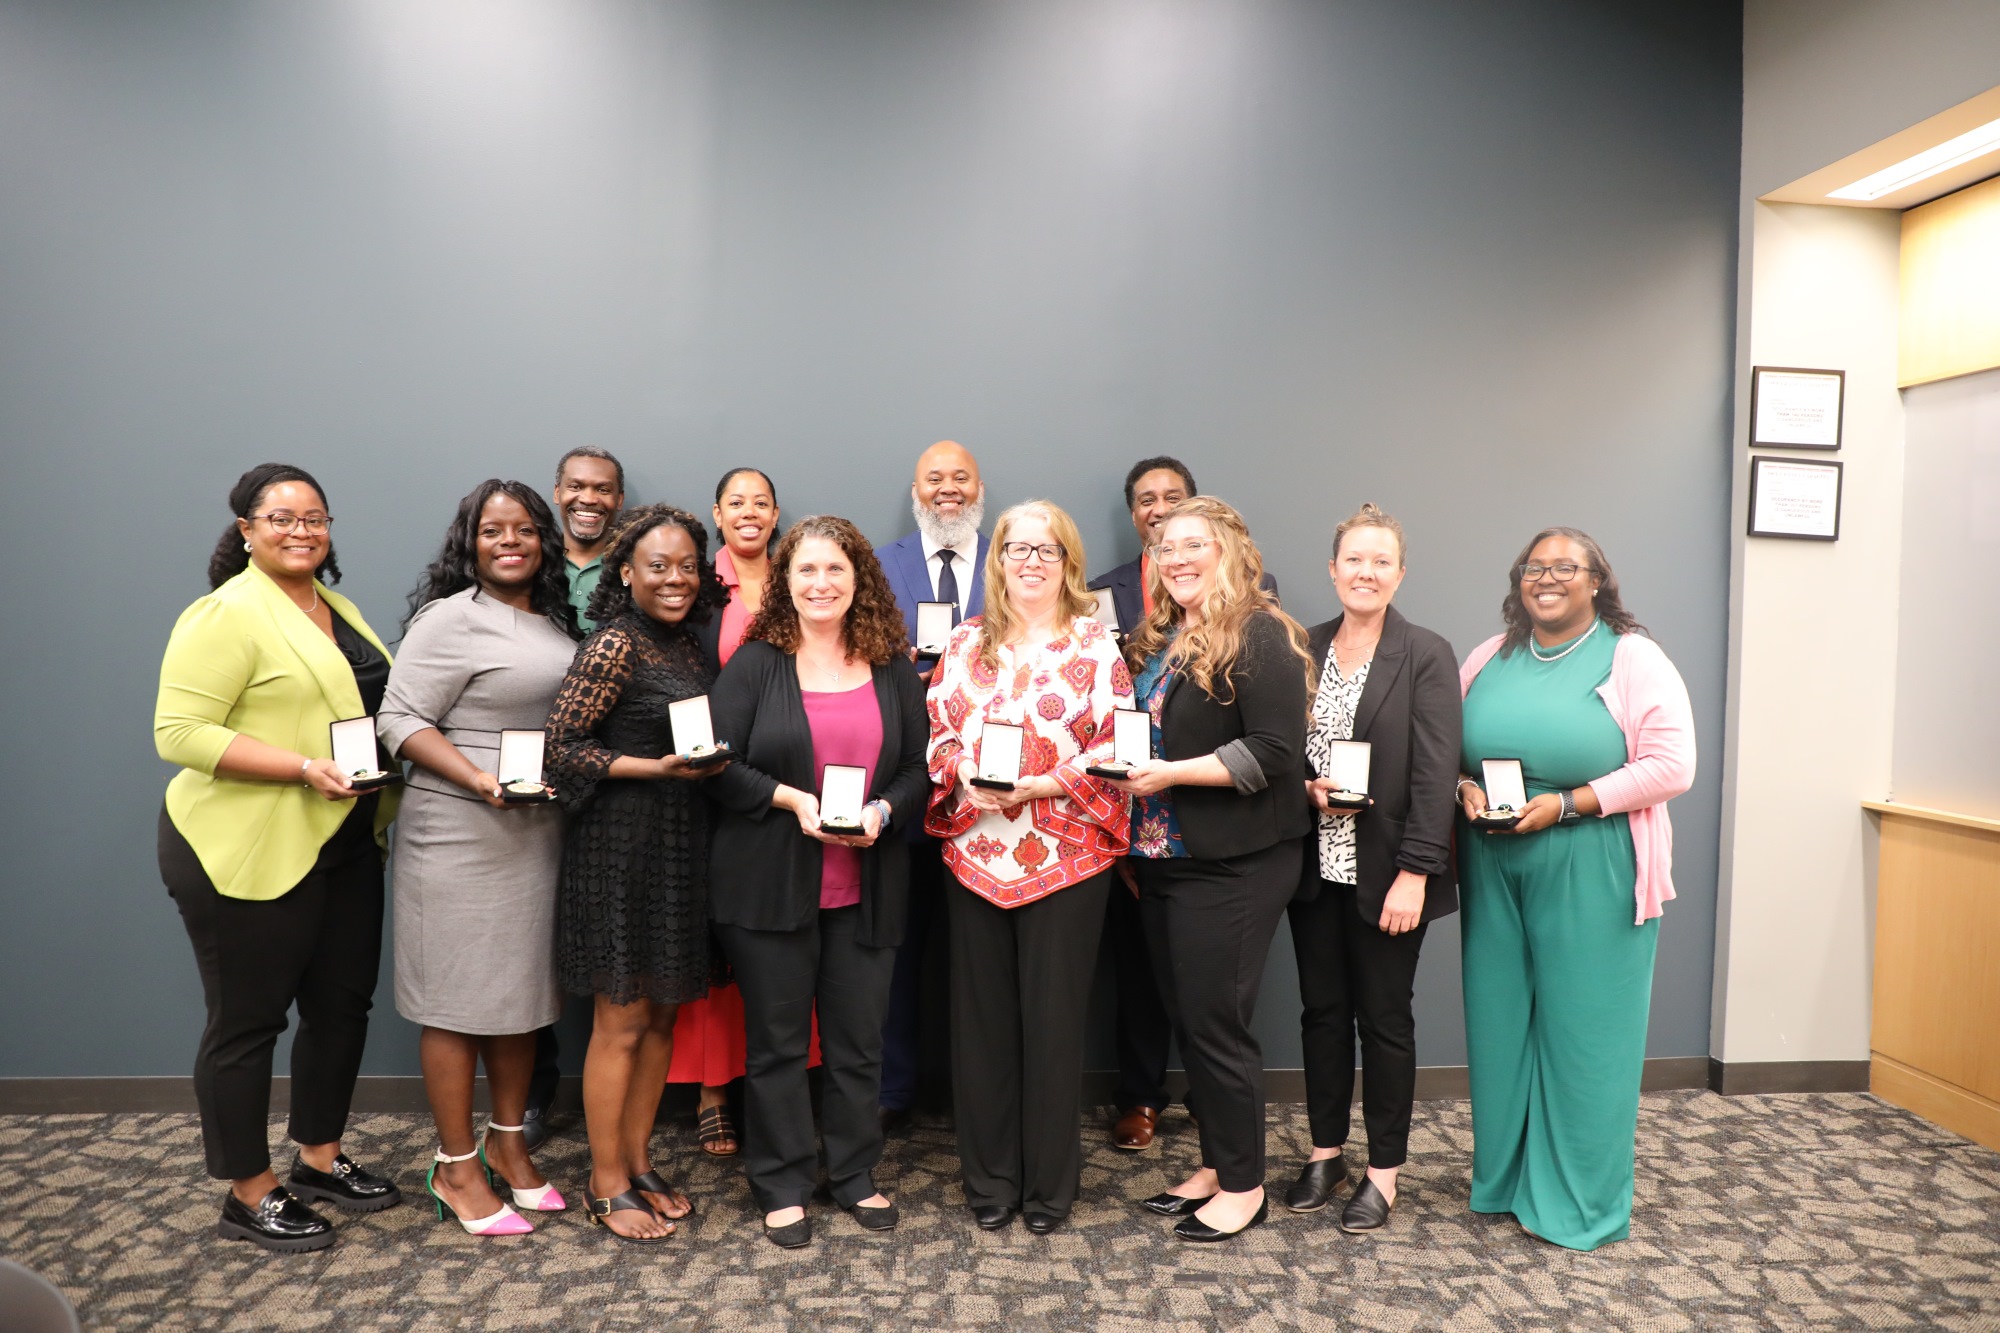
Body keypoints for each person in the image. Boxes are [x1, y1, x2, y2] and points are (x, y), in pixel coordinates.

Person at [155, 463, 403, 1253]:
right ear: (247, 530)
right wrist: (300, 766)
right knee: (248, 1022)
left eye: (316, 518)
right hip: (242, 845)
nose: (302, 530)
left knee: (341, 1006)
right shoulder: (224, 614)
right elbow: (180, 733)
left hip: (342, 837)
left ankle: (320, 1157)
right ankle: (248, 1190)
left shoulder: (334, 606)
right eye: (283, 518)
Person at [1455, 526, 1695, 1251]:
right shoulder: (1486, 656)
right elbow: (1446, 747)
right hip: (1492, 859)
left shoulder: (1632, 657)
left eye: (1567, 566)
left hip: (1592, 858)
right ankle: (1505, 1180)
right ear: (1517, 579)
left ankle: (1581, 1204)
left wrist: (1568, 801)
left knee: (1586, 1033)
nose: (1548, 577)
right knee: (1499, 1027)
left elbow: (1672, 765)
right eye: (1535, 566)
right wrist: (1461, 786)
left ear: (1597, 581)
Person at [707, 516, 930, 1248]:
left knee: (858, 1044)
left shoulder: (891, 663)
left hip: (866, 886)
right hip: (771, 887)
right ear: (785, 583)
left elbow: (918, 768)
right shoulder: (756, 662)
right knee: (774, 1046)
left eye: (835, 569)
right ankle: (781, 1182)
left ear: (858, 578)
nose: (821, 583)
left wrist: (885, 809)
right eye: (806, 571)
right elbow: (717, 764)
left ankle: (856, 1172)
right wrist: (791, 799)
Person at [377, 480, 583, 1235]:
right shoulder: (450, 619)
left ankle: (509, 1149)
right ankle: (457, 1166)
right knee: (458, 1002)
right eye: (493, 529)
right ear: (470, 540)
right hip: (460, 832)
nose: (510, 541)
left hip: (533, 835)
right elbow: (399, 716)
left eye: (524, 529)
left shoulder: (551, 619)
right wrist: (474, 775)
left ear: (542, 540)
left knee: (519, 998)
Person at [924, 501, 1134, 1234]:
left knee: (1053, 1026)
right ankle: (990, 1181)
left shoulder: (1096, 644)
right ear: (999, 559)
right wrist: (962, 775)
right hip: (976, 854)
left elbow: (1117, 748)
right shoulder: (964, 641)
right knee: (980, 1029)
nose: (1031, 561)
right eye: (1018, 548)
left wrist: (1043, 785)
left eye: (1047, 550)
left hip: (1066, 860)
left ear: (1068, 561)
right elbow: (939, 734)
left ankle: (1047, 1188)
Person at [1108, 496, 1313, 1243]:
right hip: (1162, 860)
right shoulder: (1162, 638)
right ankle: (1218, 1164)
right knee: (1192, 1024)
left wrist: (1170, 774)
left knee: (1217, 1025)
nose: (1178, 557)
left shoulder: (1261, 633)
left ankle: (1245, 1186)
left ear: (1230, 550)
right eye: (1166, 547)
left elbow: (1272, 752)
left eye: (1195, 543)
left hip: (1234, 863)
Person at [545, 504, 725, 1244]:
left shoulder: (688, 643)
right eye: (659, 565)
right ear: (626, 572)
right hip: (619, 849)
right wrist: (655, 767)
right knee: (620, 1020)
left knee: (661, 1016)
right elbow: (563, 746)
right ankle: (605, 1180)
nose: (676, 578)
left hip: (680, 846)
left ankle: (640, 1160)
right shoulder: (614, 643)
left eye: (687, 565)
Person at [1283, 503, 1461, 1233]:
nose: (1366, 571)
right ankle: (1326, 1152)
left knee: (1383, 1021)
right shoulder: (1304, 645)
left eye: (1381, 560)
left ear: (1400, 572)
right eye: (1354, 559)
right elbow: (1281, 745)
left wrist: (1417, 870)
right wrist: (1303, 783)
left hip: (1390, 870)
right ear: (1332, 569)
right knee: (1322, 1015)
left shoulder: (1425, 651)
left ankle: (1383, 1173)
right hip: (1313, 867)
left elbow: (1435, 769)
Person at [871, 439, 991, 1131]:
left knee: (976, 957)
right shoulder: (882, 565)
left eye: (960, 477)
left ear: (980, 486)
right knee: (899, 950)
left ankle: (974, 1090)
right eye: (934, 478)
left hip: (989, 798)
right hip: (907, 789)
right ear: (916, 489)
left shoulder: (1014, 564)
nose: (948, 488)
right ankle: (893, 1090)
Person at [663, 466, 784, 1157]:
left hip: (786, 778)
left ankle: (776, 1084)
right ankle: (712, 1093)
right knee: (716, 943)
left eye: (760, 502)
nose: (749, 512)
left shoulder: (798, 574)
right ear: (718, 512)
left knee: (774, 937)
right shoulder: (697, 586)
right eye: (736, 502)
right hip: (709, 779)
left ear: (775, 514)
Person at [523, 445, 628, 1146]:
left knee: (604, 940)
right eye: (578, 486)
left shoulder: (635, 566)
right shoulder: (527, 558)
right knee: (526, 938)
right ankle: (534, 1093)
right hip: (531, 764)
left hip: (613, 774)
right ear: (558, 491)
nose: (590, 498)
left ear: (618, 499)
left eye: (604, 489)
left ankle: (611, 1100)